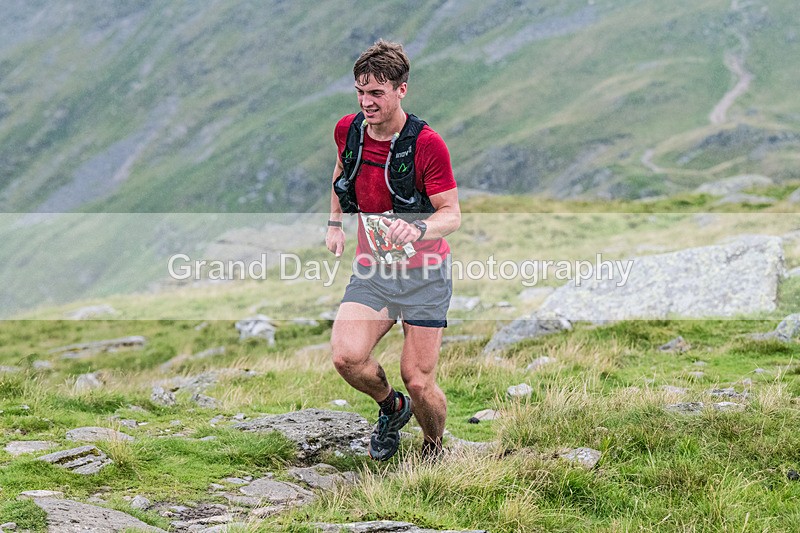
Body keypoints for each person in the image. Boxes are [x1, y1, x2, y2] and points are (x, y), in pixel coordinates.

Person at [325, 40, 460, 461]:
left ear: (402, 90)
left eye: (376, 93)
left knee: (419, 380)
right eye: (361, 92)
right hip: (374, 272)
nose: (366, 102)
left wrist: (417, 227)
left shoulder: (427, 144)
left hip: (424, 276)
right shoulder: (348, 130)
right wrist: (334, 223)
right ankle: (391, 407)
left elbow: (451, 214)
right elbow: (340, 171)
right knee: (346, 357)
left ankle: (434, 447)